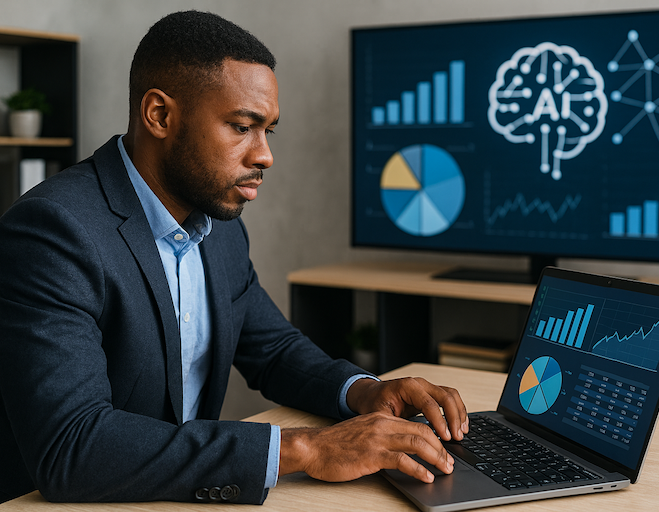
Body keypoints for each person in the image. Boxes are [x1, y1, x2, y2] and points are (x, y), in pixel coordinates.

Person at [0, 11, 468, 505]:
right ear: (159, 115)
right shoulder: (52, 231)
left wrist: (364, 392)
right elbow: (72, 446)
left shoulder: (216, 223)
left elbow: (273, 349)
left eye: (268, 131)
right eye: (243, 127)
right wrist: (305, 448)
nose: (264, 155)